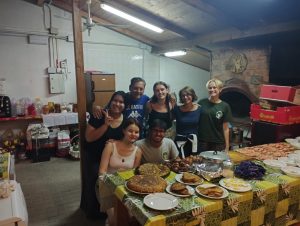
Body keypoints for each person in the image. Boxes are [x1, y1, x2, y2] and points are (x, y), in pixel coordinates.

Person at [80, 91, 126, 219]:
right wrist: (106, 125)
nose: (117, 104)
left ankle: (110, 212)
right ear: (110, 101)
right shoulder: (99, 115)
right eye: (115, 100)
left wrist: (116, 142)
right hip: (94, 156)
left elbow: (125, 139)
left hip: (112, 159)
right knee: (95, 182)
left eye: (121, 102)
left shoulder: (125, 119)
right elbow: (88, 138)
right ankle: (94, 214)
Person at [98, 118, 142, 226]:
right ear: (123, 131)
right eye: (130, 131)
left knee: (130, 218)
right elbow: (102, 171)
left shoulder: (138, 151)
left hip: (126, 189)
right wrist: (114, 185)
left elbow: (134, 176)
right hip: (107, 186)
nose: (133, 134)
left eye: (136, 132)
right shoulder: (110, 146)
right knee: (115, 221)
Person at [197, 78, 232, 153]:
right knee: (202, 163)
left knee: (216, 164)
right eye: (210, 88)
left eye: (214, 87)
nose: (212, 90)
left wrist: (227, 146)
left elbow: (226, 128)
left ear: (220, 89)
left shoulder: (225, 106)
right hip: (202, 141)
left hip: (218, 142)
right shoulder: (201, 102)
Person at [173, 86, 202, 157]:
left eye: (188, 95)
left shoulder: (199, 109)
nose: (185, 97)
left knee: (193, 163)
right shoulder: (176, 109)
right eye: (183, 96)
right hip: (180, 142)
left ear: (192, 95)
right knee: (179, 164)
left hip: (194, 142)